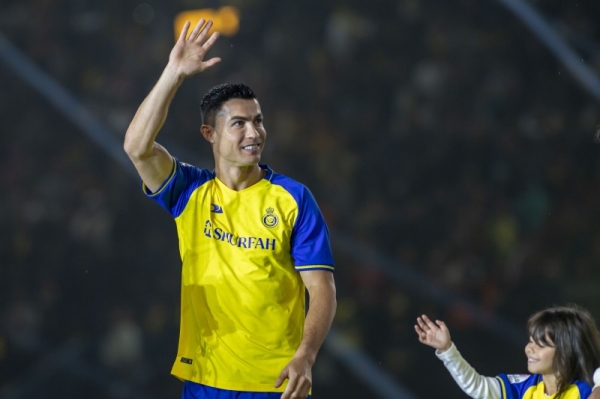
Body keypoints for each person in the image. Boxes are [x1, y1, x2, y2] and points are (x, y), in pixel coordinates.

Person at [123, 19, 337, 399]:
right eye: (239, 124)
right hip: (205, 381)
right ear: (210, 134)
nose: (253, 133)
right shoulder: (189, 192)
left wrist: (306, 355)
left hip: (276, 385)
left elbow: (322, 290)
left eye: (258, 121)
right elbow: (137, 148)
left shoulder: (293, 198)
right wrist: (174, 73)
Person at [415, 305, 600, 399]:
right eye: (530, 341)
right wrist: (447, 350)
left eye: (541, 344)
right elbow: (477, 386)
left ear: (566, 351)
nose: (529, 348)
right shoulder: (524, 388)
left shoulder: (585, 391)